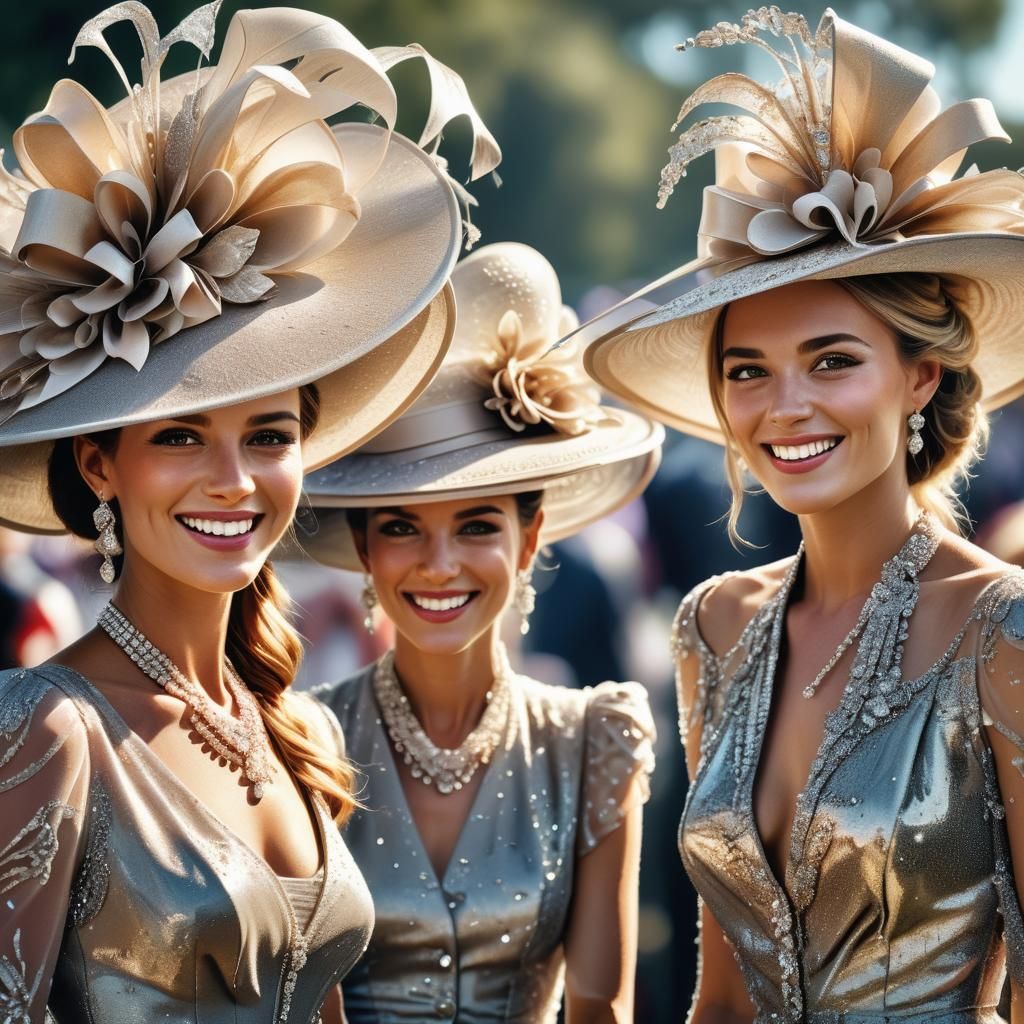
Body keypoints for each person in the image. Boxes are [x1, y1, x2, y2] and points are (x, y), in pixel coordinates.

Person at [0, 2, 499, 1020]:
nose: (234, 479)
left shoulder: (292, 725)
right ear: (100, 465)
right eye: (181, 437)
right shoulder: (44, 728)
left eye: (268, 436)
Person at [572, 8, 1024, 1022]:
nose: (785, 407)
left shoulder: (1003, 629)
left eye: (831, 361)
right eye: (748, 371)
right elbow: (719, 997)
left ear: (919, 376)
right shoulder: (713, 628)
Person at [297, 242, 663, 1023]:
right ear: (364, 548)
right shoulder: (301, 742)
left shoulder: (596, 741)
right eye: (402, 527)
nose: (439, 566)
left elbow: (602, 1009)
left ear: (529, 542)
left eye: (475, 526)